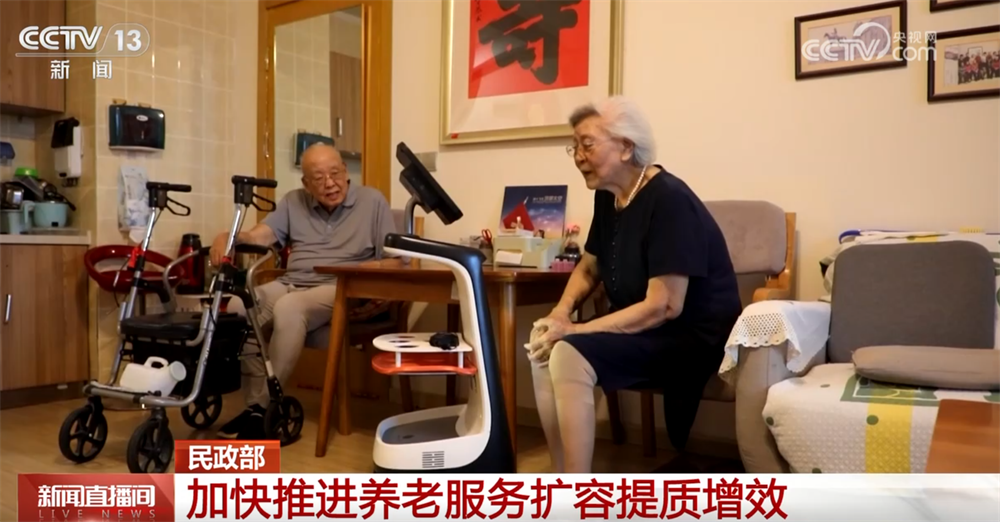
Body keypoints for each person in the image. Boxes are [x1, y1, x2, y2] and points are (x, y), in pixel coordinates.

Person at [525, 96, 742, 473]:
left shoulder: (670, 199)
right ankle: (561, 476)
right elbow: (589, 265)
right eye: (574, 147)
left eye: (587, 144)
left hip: (692, 338)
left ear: (626, 147)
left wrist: (575, 330)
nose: (578, 156)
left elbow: (665, 305)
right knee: (544, 342)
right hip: (648, 329)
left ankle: (574, 488)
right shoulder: (608, 197)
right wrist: (560, 314)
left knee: (569, 351)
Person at [210, 143, 398, 440]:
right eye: (319, 178)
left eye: (335, 173)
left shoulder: (372, 201)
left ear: (346, 172)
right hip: (292, 281)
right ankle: (254, 407)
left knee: (290, 307)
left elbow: (396, 260)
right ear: (306, 183)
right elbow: (260, 236)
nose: (330, 183)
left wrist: (362, 270)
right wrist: (228, 237)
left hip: (338, 287)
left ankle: (265, 406)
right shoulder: (293, 201)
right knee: (237, 305)